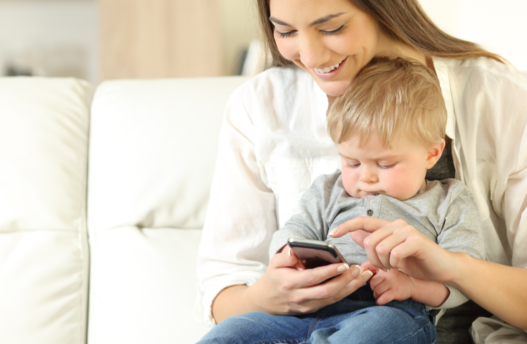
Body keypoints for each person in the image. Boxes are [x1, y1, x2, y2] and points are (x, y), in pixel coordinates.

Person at [196, 0, 527, 342]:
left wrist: (452, 267)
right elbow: (223, 287)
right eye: (286, 31)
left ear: (380, 1)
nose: (310, 55)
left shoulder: (500, 100)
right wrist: (269, 294)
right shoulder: (259, 108)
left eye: (331, 27)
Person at [198, 57, 486, 343]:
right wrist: (291, 257)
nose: (366, 178)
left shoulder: (449, 200)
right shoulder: (328, 190)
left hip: (388, 312)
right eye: (352, 162)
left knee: (367, 336)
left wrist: (410, 286)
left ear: (431, 154)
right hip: (305, 312)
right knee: (233, 332)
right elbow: (294, 231)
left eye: (385, 165)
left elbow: (461, 283)